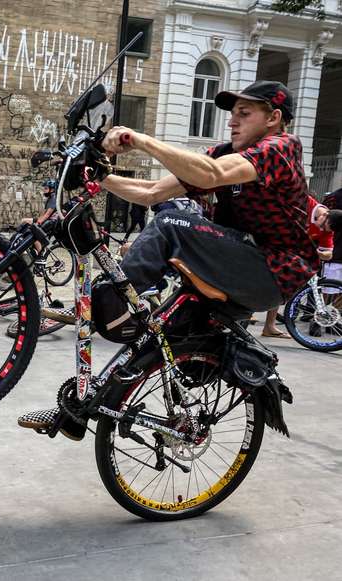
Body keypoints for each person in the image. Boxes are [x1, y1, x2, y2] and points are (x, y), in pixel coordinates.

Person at [19, 80, 320, 439]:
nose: (232, 121)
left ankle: (108, 302)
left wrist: (140, 140)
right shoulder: (226, 152)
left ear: (273, 118)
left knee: (172, 223)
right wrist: (98, 179)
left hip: (273, 271)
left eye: (244, 113)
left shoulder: (281, 148)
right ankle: (79, 411)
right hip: (239, 264)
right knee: (153, 336)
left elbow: (213, 175)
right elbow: (151, 192)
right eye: (232, 114)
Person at [262, 194, 336, 337]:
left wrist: (315, 252)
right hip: (269, 237)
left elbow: (328, 254)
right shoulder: (305, 201)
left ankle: (269, 327)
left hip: (285, 253)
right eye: (324, 226)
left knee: (280, 285)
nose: (322, 231)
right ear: (325, 214)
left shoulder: (327, 229)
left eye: (327, 230)